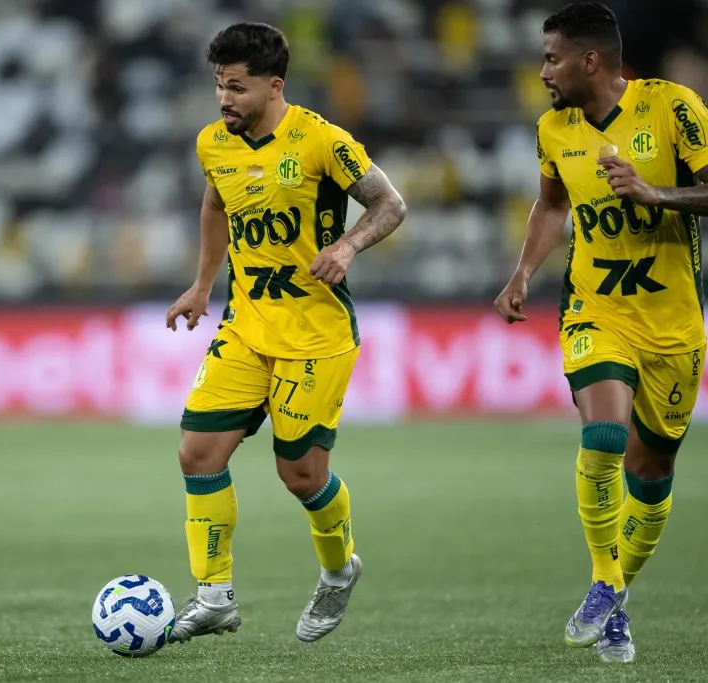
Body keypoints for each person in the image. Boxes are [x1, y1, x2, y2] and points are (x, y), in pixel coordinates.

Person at [164, 22, 407, 644]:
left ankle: (339, 569)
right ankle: (213, 596)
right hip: (246, 326)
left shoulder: (322, 139)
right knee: (197, 453)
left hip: (316, 335)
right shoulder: (213, 143)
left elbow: (390, 204)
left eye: (237, 88)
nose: (224, 99)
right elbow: (216, 205)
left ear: (275, 86)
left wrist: (347, 246)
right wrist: (201, 284)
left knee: (300, 474)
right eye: (219, 85)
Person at [494, 1, 708, 664]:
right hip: (596, 307)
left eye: (551, 59)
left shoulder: (671, 107)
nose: (542, 72)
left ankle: (616, 596)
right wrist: (523, 271)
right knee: (606, 434)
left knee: (652, 470)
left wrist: (657, 195)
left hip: (672, 321)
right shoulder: (553, 129)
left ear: (590, 60)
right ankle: (604, 579)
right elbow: (552, 202)